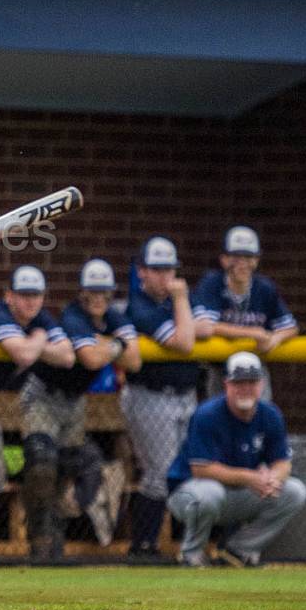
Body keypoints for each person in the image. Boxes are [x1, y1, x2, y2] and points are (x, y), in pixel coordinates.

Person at [167, 351, 306, 567]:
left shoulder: (270, 415)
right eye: (239, 382)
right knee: (208, 494)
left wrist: (272, 478)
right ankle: (191, 554)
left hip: (237, 494)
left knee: (294, 491)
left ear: (261, 385)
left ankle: (239, 551)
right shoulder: (208, 414)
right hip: (188, 493)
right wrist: (251, 477)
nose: (246, 388)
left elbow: (282, 462)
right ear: (227, 384)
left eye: (251, 382)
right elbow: (201, 470)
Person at [0, 265, 76, 560]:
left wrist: (32, 342)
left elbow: (68, 357)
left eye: (35, 295)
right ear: (9, 295)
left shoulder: (41, 318)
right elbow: (23, 355)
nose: (30, 302)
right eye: (23, 295)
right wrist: (38, 338)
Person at [120, 236, 199, 559]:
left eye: (169, 269)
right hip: (150, 397)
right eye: (157, 269)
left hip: (185, 396)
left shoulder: (172, 304)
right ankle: (143, 544)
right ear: (142, 272)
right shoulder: (138, 306)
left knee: (183, 471)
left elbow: (198, 332)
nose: (165, 276)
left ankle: (178, 543)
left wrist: (181, 303)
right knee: (160, 472)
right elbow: (185, 342)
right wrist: (182, 298)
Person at [57, 258, 143, 545]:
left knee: (92, 462)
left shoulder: (113, 318)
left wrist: (106, 343)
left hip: (75, 400)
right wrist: (116, 345)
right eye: (91, 292)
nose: (97, 298)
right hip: (46, 395)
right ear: (82, 293)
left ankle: (70, 521)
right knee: (44, 463)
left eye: (103, 292)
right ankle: (45, 538)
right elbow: (92, 358)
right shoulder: (72, 315)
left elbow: (134, 361)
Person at [192, 226, 298, 395]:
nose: (242, 263)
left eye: (248, 257)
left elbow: (290, 327)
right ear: (224, 259)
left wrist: (274, 339)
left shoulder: (264, 288)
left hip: (255, 370)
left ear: (256, 260)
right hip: (222, 370)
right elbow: (206, 327)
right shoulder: (212, 283)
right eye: (236, 257)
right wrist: (252, 333)